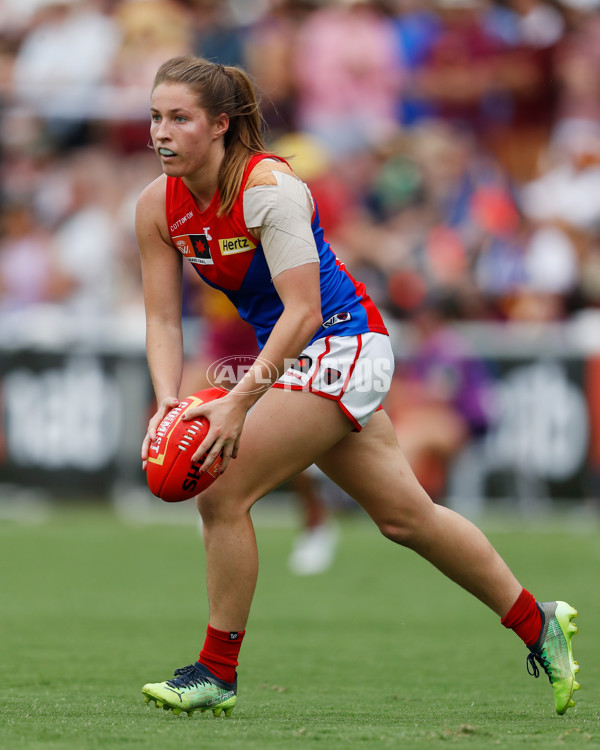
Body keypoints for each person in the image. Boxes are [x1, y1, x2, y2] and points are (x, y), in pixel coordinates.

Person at [136, 55, 579, 718]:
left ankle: (216, 673)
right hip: (295, 357)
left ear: (221, 125)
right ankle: (535, 620)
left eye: (179, 118)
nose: (161, 133)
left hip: (344, 344)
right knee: (407, 519)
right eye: (155, 117)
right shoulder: (156, 206)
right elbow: (163, 317)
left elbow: (305, 311)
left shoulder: (269, 189)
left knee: (220, 484)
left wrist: (238, 403)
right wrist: (167, 395)